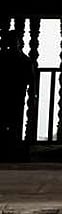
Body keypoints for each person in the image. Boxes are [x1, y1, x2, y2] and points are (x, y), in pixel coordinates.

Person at [0, 30, 35, 161]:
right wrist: (33, 93)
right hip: (13, 95)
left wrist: (33, 93)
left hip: (14, 95)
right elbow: (31, 80)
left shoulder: (19, 59)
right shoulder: (23, 59)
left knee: (12, 122)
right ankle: (11, 149)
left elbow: (31, 80)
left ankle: (9, 149)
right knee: (12, 122)